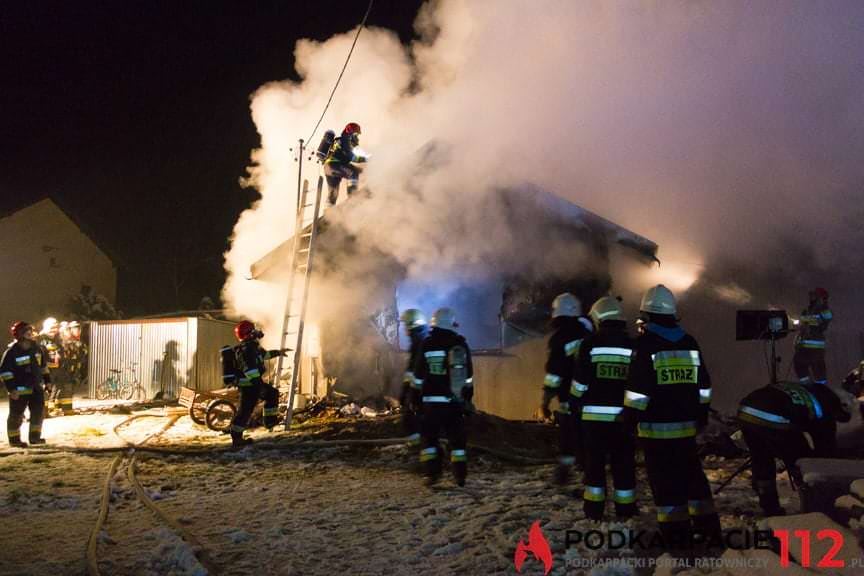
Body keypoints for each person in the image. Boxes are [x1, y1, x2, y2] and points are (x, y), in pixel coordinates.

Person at [622, 284, 720, 548]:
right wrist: (701, 414)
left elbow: (638, 392)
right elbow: (704, 386)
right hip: (687, 429)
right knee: (693, 478)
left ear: (647, 315)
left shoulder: (644, 345)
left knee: (666, 484)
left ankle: (677, 538)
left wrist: (628, 420)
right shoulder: (690, 343)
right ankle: (709, 531)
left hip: (657, 431)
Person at [737, 381, 852, 516]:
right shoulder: (826, 408)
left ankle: (770, 507)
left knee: (762, 458)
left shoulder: (809, 390)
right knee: (803, 463)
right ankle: (815, 507)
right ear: (839, 408)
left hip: (745, 412)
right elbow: (825, 452)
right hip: (776, 418)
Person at [575, 296, 637, 521]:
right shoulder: (633, 345)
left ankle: (594, 511)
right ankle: (626, 510)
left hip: (594, 421)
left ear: (599, 318)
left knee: (595, 466)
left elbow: (580, 383)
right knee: (624, 465)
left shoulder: (589, 344)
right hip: (624, 419)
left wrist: (575, 401)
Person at [415, 307, 473, 486]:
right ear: (452, 324)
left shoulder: (427, 344)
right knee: (457, 441)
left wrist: (415, 398)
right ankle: (460, 476)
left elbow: (418, 375)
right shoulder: (460, 344)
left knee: (429, 439)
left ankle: (432, 474)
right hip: (454, 402)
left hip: (431, 403)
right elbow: (469, 376)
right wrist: (467, 400)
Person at [541, 292, 594, 485]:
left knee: (568, 438)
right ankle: (588, 473)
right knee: (586, 439)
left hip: (568, 398)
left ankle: (564, 474)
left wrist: (545, 400)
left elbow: (554, 373)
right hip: (591, 399)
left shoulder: (560, 337)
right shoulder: (589, 334)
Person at [227, 320, 285, 448]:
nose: (256, 332)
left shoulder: (253, 347)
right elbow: (249, 370)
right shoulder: (246, 350)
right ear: (248, 334)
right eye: (253, 330)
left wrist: (279, 352)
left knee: (272, 393)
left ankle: (269, 421)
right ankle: (236, 437)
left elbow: (265, 355)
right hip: (249, 386)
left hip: (254, 384)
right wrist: (258, 384)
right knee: (245, 411)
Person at [1, 322, 51, 446]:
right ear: (19, 335)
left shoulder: (37, 348)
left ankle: (35, 438)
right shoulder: (12, 352)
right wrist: (11, 389)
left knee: (38, 414)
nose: (30, 334)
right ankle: (15, 440)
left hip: (36, 388)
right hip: (19, 390)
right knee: (16, 416)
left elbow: (43, 367)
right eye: (26, 332)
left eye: (30, 332)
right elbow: (5, 372)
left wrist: (48, 381)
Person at [399, 308, 428, 448]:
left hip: (420, 389)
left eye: (405, 324)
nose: (404, 328)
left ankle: (417, 447)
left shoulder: (419, 342)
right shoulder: (421, 338)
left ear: (411, 324)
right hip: (425, 388)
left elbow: (415, 370)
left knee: (409, 418)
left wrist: (407, 393)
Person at [793, 287, 832, 386]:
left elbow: (825, 319)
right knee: (799, 365)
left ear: (820, 297)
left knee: (818, 370)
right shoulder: (807, 310)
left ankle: (822, 389)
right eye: (811, 295)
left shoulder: (824, 310)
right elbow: (801, 323)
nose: (811, 297)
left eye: (814, 295)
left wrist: (805, 320)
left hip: (816, 348)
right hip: (803, 346)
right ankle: (807, 386)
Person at [323, 122, 368, 206]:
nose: (357, 138)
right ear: (350, 133)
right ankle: (352, 197)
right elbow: (352, 158)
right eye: (356, 135)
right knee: (353, 172)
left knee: (333, 192)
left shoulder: (339, 140)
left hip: (328, 168)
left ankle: (328, 211)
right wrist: (366, 159)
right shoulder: (345, 140)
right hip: (335, 165)